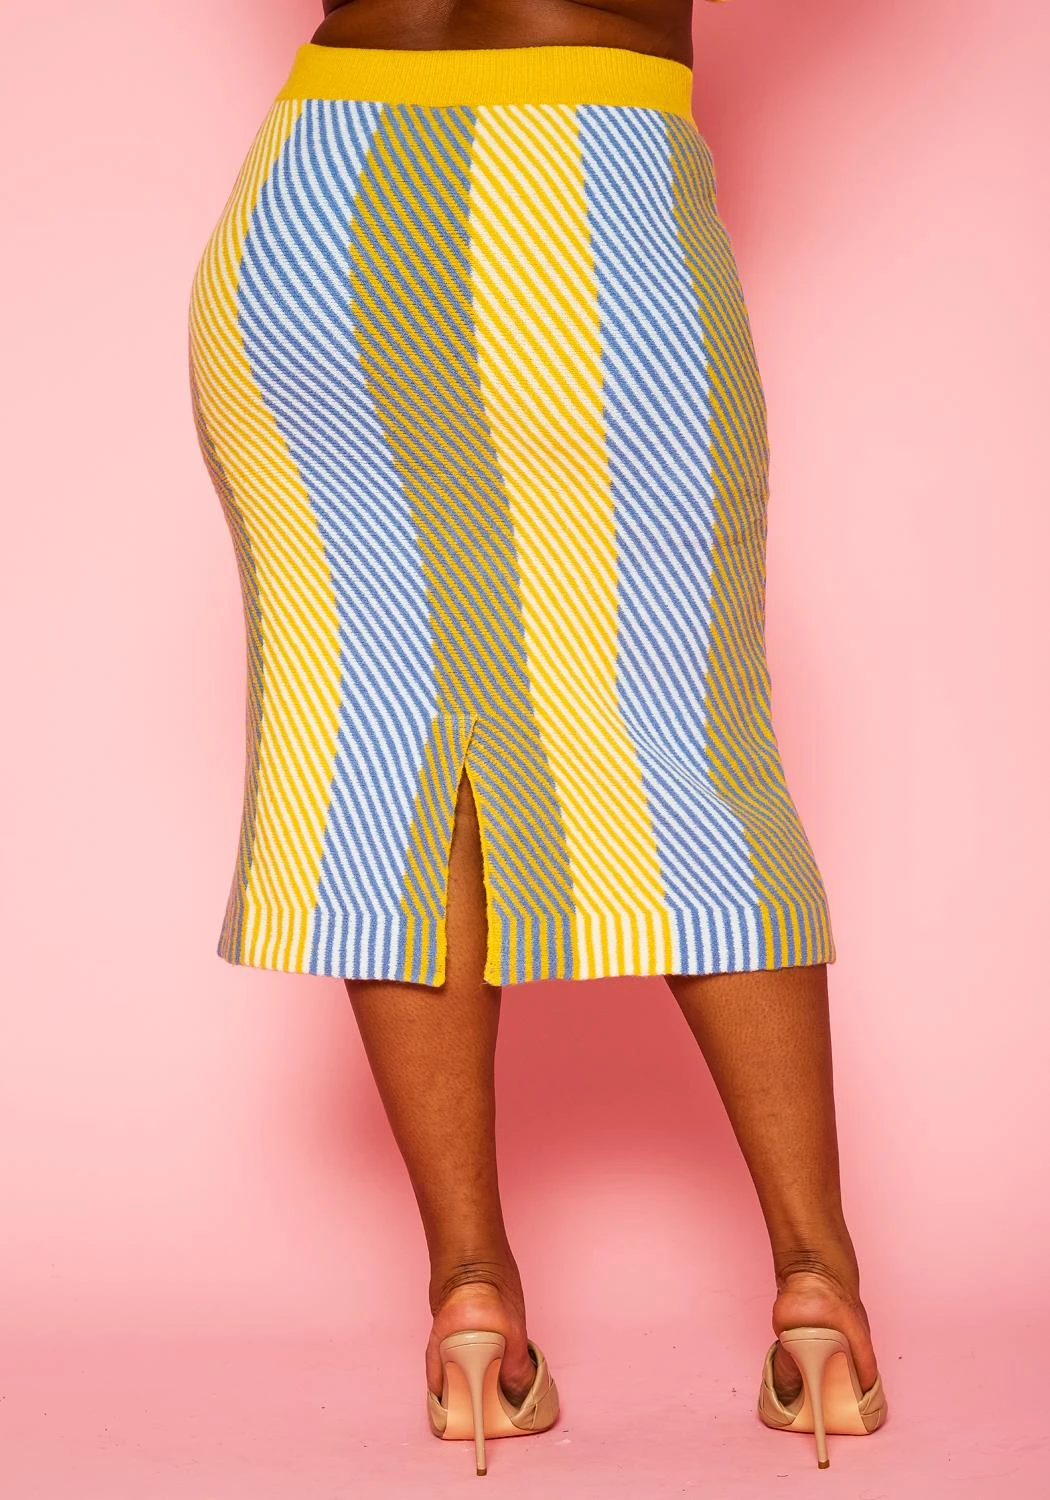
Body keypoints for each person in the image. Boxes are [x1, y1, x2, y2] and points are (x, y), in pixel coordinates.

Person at [187, 0, 886, 1475]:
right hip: (587, 192)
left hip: (312, 210)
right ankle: (816, 1290)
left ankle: (471, 1311)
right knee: (690, 754)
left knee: (384, 759)